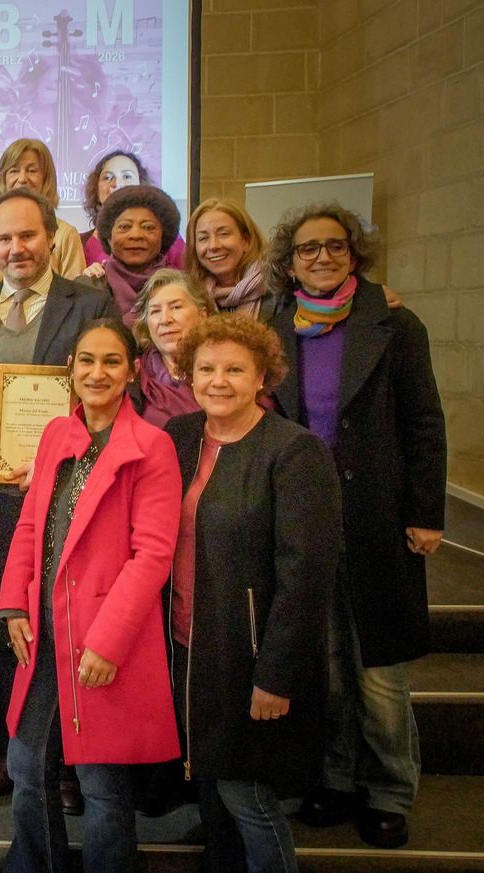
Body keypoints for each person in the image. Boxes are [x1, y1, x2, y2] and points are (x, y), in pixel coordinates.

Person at [266, 204, 446, 850]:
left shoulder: (394, 323)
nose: (321, 258)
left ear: (354, 254)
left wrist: (426, 511)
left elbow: (424, 420)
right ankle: (338, 777)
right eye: (308, 249)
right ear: (289, 263)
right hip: (307, 517)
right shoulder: (274, 322)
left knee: (378, 670)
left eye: (334, 247)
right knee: (330, 664)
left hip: (376, 516)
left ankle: (389, 789)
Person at [0, 188, 118, 803]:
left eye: (27, 236)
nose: (16, 248)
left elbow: (108, 399)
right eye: (3, 239)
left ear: (50, 237)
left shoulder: (92, 304)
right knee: (5, 630)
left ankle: (71, 765)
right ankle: (9, 757)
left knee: (64, 627)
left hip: (68, 496)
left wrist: (63, 458)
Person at [0, 318, 182, 873]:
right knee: (27, 770)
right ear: (71, 370)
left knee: (102, 785)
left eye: (110, 361)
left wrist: (106, 642)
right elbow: (32, 525)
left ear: (130, 372)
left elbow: (151, 556)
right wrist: (12, 603)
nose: (96, 372)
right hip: (45, 634)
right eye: (86, 361)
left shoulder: (151, 446)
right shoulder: (58, 433)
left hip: (102, 642)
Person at [165, 314, 341, 873]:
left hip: (253, 654)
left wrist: (277, 674)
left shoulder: (295, 452)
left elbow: (307, 574)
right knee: (214, 787)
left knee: (248, 795)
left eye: (235, 369)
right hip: (190, 641)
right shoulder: (181, 437)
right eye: (206, 369)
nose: (218, 381)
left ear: (262, 375)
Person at [0, 139, 86, 280]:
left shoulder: (66, 235)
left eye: (32, 170)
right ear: (3, 179)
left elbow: (76, 295)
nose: (22, 179)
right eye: (14, 171)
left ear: (46, 178)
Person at [81, 185, 186, 321]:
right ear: (108, 236)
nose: (136, 235)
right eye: (124, 227)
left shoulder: (183, 288)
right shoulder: (86, 289)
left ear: (164, 236)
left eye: (148, 227)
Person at [130, 269, 217, 427]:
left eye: (176, 307)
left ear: (202, 315)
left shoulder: (225, 367)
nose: (165, 320)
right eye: (155, 311)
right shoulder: (134, 374)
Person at [81, 152, 185, 268]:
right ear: (96, 188)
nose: (117, 184)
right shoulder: (79, 243)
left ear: (141, 184)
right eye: (107, 177)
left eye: (126, 176)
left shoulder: (168, 238)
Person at [185, 197, 271, 318]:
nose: (213, 246)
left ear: (246, 240)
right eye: (203, 238)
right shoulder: (191, 299)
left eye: (223, 234)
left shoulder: (277, 290)